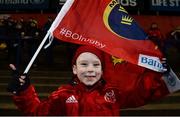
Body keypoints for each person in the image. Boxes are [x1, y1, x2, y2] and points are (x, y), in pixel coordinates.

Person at [7, 45, 177, 116]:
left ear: (102, 71)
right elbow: (37, 112)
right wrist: (24, 91)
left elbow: (143, 94)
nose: (90, 69)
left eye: (96, 65)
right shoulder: (62, 95)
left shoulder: (113, 93)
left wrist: (158, 75)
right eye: (84, 64)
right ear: (74, 69)